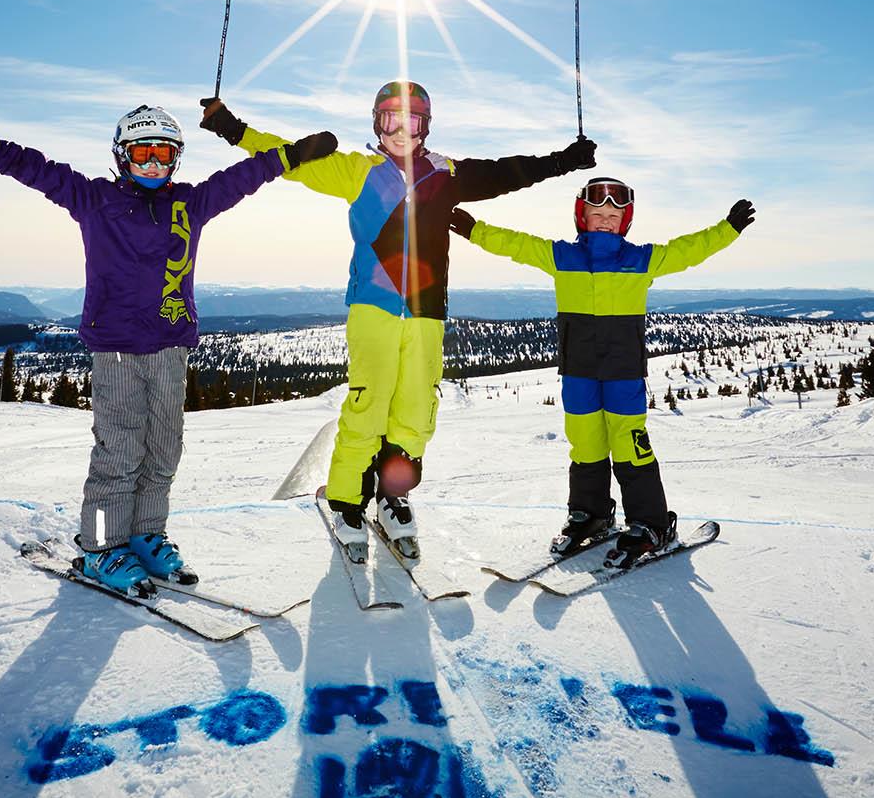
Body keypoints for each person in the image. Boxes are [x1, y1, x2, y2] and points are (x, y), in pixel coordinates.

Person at [0, 107, 338, 593]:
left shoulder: (190, 203)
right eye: (144, 154)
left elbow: (240, 179)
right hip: (117, 349)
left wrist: (288, 156)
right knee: (118, 453)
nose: (154, 165)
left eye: (164, 155)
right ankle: (100, 547)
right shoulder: (94, 199)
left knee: (163, 449)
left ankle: (145, 535)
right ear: (122, 155)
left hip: (169, 349)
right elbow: (36, 169)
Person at [199, 81, 595, 561]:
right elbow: (288, 160)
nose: (401, 132)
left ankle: (393, 495)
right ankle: (347, 500)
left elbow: (506, 174)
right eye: (391, 120)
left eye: (412, 122)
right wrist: (230, 127)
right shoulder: (358, 171)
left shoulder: (445, 173)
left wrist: (563, 161)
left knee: (414, 410)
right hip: (374, 308)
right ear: (376, 124)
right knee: (369, 405)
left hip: (428, 313)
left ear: (426, 127)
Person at [448, 176, 755, 567]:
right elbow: (517, 245)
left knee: (629, 444)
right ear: (582, 216)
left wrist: (727, 230)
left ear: (625, 221)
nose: (606, 220)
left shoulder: (641, 259)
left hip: (623, 372)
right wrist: (476, 230)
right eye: (598, 213)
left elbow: (689, 251)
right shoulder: (563, 256)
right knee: (585, 443)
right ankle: (590, 513)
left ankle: (651, 524)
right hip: (578, 371)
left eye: (615, 214)